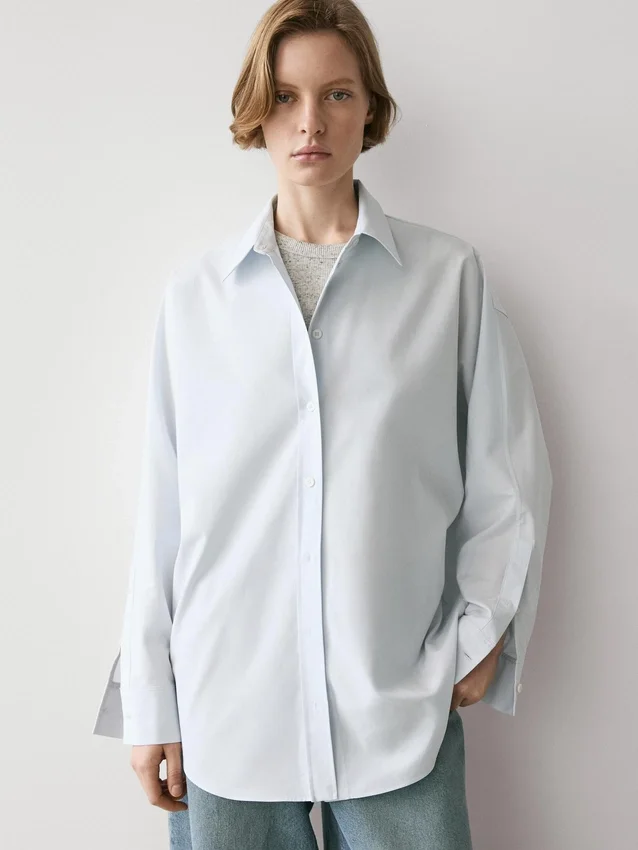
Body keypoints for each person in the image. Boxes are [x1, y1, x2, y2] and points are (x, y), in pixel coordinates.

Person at [92, 1, 553, 847]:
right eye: (286, 96)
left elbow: (508, 477)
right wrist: (150, 700)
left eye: (338, 94)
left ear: (369, 107)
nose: (311, 122)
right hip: (224, 716)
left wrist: (484, 630)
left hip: (396, 708)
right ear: (255, 110)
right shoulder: (196, 300)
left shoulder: (447, 279)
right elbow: (164, 518)